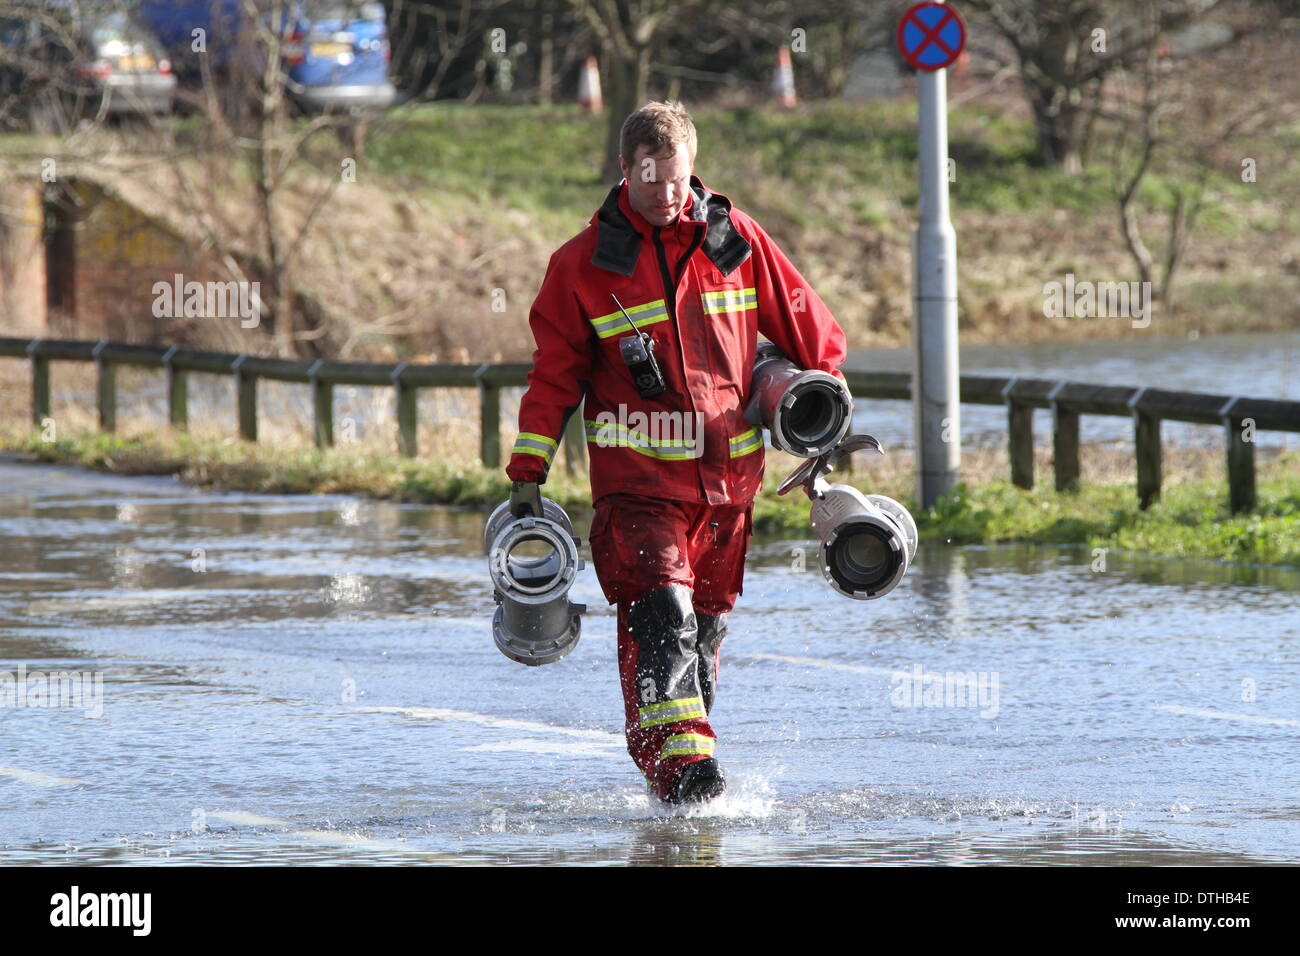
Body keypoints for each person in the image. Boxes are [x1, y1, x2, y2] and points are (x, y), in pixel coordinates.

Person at [506, 101, 847, 804]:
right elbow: (553, 377)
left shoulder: (734, 239)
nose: (666, 195)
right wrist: (527, 472)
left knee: (702, 641)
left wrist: (827, 403)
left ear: (693, 168)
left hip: (728, 493)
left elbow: (813, 328)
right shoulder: (582, 266)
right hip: (638, 491)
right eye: (651, 178)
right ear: (625, 169)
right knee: (663, 612)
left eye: (678, 179)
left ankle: (679, 792)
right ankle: (685, 771)